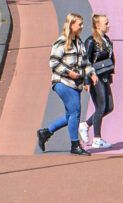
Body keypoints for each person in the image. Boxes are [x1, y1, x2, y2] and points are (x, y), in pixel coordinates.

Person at [35, 12, 94, 155]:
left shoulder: (79, 42)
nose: (82, 26)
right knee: (76, 112)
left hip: (75, 84)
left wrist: (91, 74)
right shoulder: (62, 42)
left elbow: (85, 63)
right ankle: (75, 145)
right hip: (62, 82)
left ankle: (45, 132)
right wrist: (69, 73)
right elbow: (53, 62)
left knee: (70, 116)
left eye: (82, 24)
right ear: (71, 25)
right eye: (79, 24)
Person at [83, 12, 116, 150]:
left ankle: (85, 125)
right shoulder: (90, 41)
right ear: (97, 25)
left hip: (104, 76)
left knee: (109, 107)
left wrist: (110, 74)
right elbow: (85, 62)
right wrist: (87, 81)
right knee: (101, 107)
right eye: (106, 23)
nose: (108, 25)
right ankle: (97, 139)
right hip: (95, 77)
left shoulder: (106, 39)